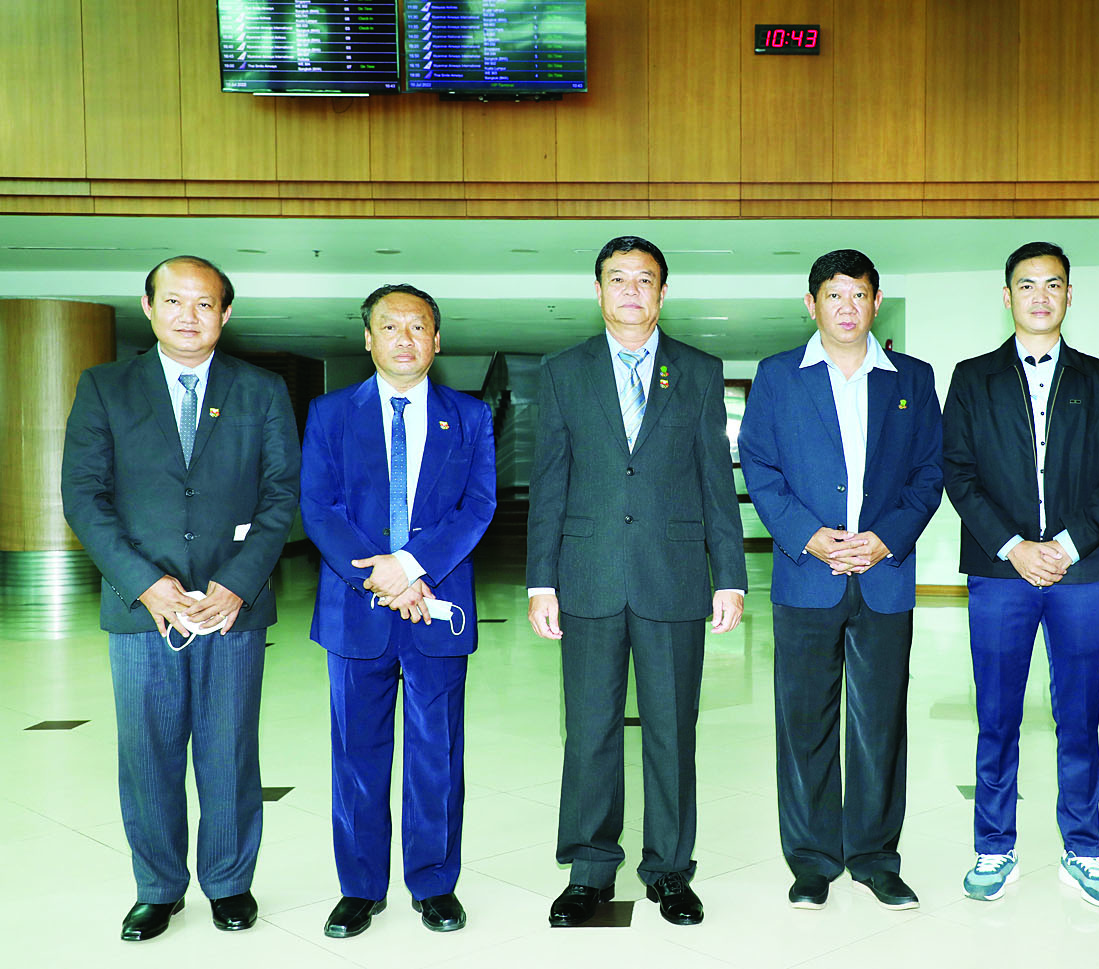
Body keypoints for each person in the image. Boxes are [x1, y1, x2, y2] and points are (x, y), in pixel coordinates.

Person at [61, 255, 301, 941]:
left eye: (204, 304)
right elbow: (83, 495)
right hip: (143, 610)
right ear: (149, 307)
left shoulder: (261, 390)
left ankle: (228, 882)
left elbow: (283, 493)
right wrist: (145, 583)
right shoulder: (105, 386)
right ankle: (158, 888)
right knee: (148, 754)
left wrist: (238, 582)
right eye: (174, 301)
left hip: (232, 608)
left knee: (229, 751)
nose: (188, 316)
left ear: (225, 313)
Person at [526, 236, 747, 927]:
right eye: (617, 279)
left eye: (644, 279)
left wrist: (730, 576)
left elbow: (716, 480)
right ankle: (590, 869)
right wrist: (540, 581)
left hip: (672, 577)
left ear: (662, 292)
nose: (630, 290)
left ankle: (670, 870)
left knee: (672, 732)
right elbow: (550, 482)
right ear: (597, 291)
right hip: (586, 576)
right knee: (590, 730)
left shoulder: (700, 370)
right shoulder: (563, 371)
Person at [738, 249, 943, 912]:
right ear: (812, 304)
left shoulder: (913, 378)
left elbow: (930, 472)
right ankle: (812, 860)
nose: (846, 307)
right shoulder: (778, 376)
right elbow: (760, 464)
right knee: (804, 724)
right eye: (833, 295)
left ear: (875, 303)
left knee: (880, 725)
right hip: (808, 574)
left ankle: (876, 858)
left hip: (884, 575)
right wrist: (808, 534)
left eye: (859, 295)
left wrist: (885, 539)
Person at [942, 241, 1099, 907]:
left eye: (1053, 284)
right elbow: (957, 473)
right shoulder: (972, 377)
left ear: (1069, 294)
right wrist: (1014, 547)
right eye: (1027, 284)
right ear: (1007, 296)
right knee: (997, 716)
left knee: (1079, 716)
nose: (1040, 296)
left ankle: (1084, 850)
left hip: (1079, 574)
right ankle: (993, 846)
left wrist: (1069, 544)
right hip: (1000, 573)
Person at [300, 284, 496, 938]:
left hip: (436, 605)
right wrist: (382, 577)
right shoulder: (331, 413)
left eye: (418, 327)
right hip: (356, 613)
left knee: (437, 754)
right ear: (368, 338)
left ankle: (434, 883)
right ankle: (360, 887)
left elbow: (477, 507)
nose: (404, 338)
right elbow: (320, 509)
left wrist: (410, 566)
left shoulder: (469, 416)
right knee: (357, 755)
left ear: (437, 340)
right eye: (390, 326)